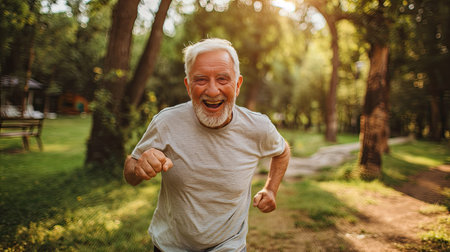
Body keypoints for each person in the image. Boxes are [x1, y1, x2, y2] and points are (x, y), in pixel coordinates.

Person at [123, 38, 290, 252]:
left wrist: (271, 189)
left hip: (228, 246)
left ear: (237, 85)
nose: (212, 91)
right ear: (188, 86)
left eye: (222, 79)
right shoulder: (166, 122)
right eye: (201, 80)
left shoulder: (257, 127)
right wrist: (138, 167)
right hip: (170, 247)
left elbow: (282, 151)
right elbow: (130, 173)